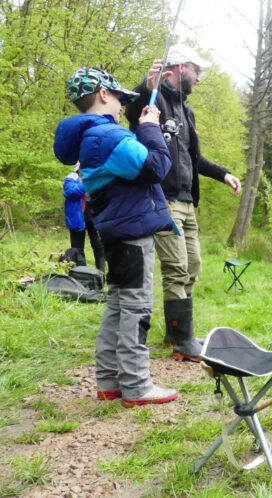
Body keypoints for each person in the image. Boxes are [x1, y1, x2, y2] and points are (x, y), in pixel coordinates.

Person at [54, 67, 178, 407]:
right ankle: (137, 385)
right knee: (136, 309)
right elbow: (156, 167)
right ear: (104, 94)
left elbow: (135, 165)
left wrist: (144, 126)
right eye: (119, 97)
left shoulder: (94, 136)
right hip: (131, 233)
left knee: (118, 306)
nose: (122, 104)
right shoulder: (107, 136)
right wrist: (151, 128)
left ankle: (109, 381)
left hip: (116, 230)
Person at [125, 44, 242, 362]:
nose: (200, 78)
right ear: (179, 67)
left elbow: (194, 158)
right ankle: (184, 341)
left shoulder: (186, 110)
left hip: (188, 201)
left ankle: (177, 331)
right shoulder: (153, 98)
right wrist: (145, 88)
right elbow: (133, 115)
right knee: (176, 269)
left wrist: (224, 174)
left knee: (192, 268)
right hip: (163, 199)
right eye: (197, 70)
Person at [62, 164, 106, 272]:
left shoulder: (95, 178)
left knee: (98, 245)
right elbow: (70, 192)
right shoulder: (71, 178)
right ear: (78, 169)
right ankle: (81, 274)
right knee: (77, 248)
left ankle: (101, 273)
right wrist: (87, 184)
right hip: (76, 218)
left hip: (94, 216)